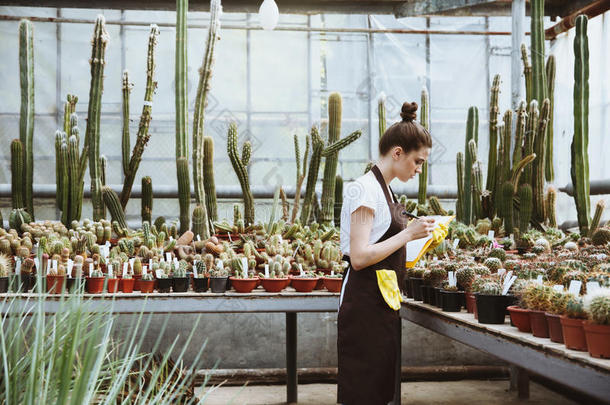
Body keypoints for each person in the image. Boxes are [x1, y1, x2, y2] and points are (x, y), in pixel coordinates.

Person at [337, 101, 436, 405]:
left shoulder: (386, 191)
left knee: (378, 388)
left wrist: (420, 239)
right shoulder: (364, 190)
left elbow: (382, 244)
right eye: (417, 162)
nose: (418, 170)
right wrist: (408, 233)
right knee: (363, 391)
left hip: (382, 300)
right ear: (397, 153)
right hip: (365, 302)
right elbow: (360, 256)